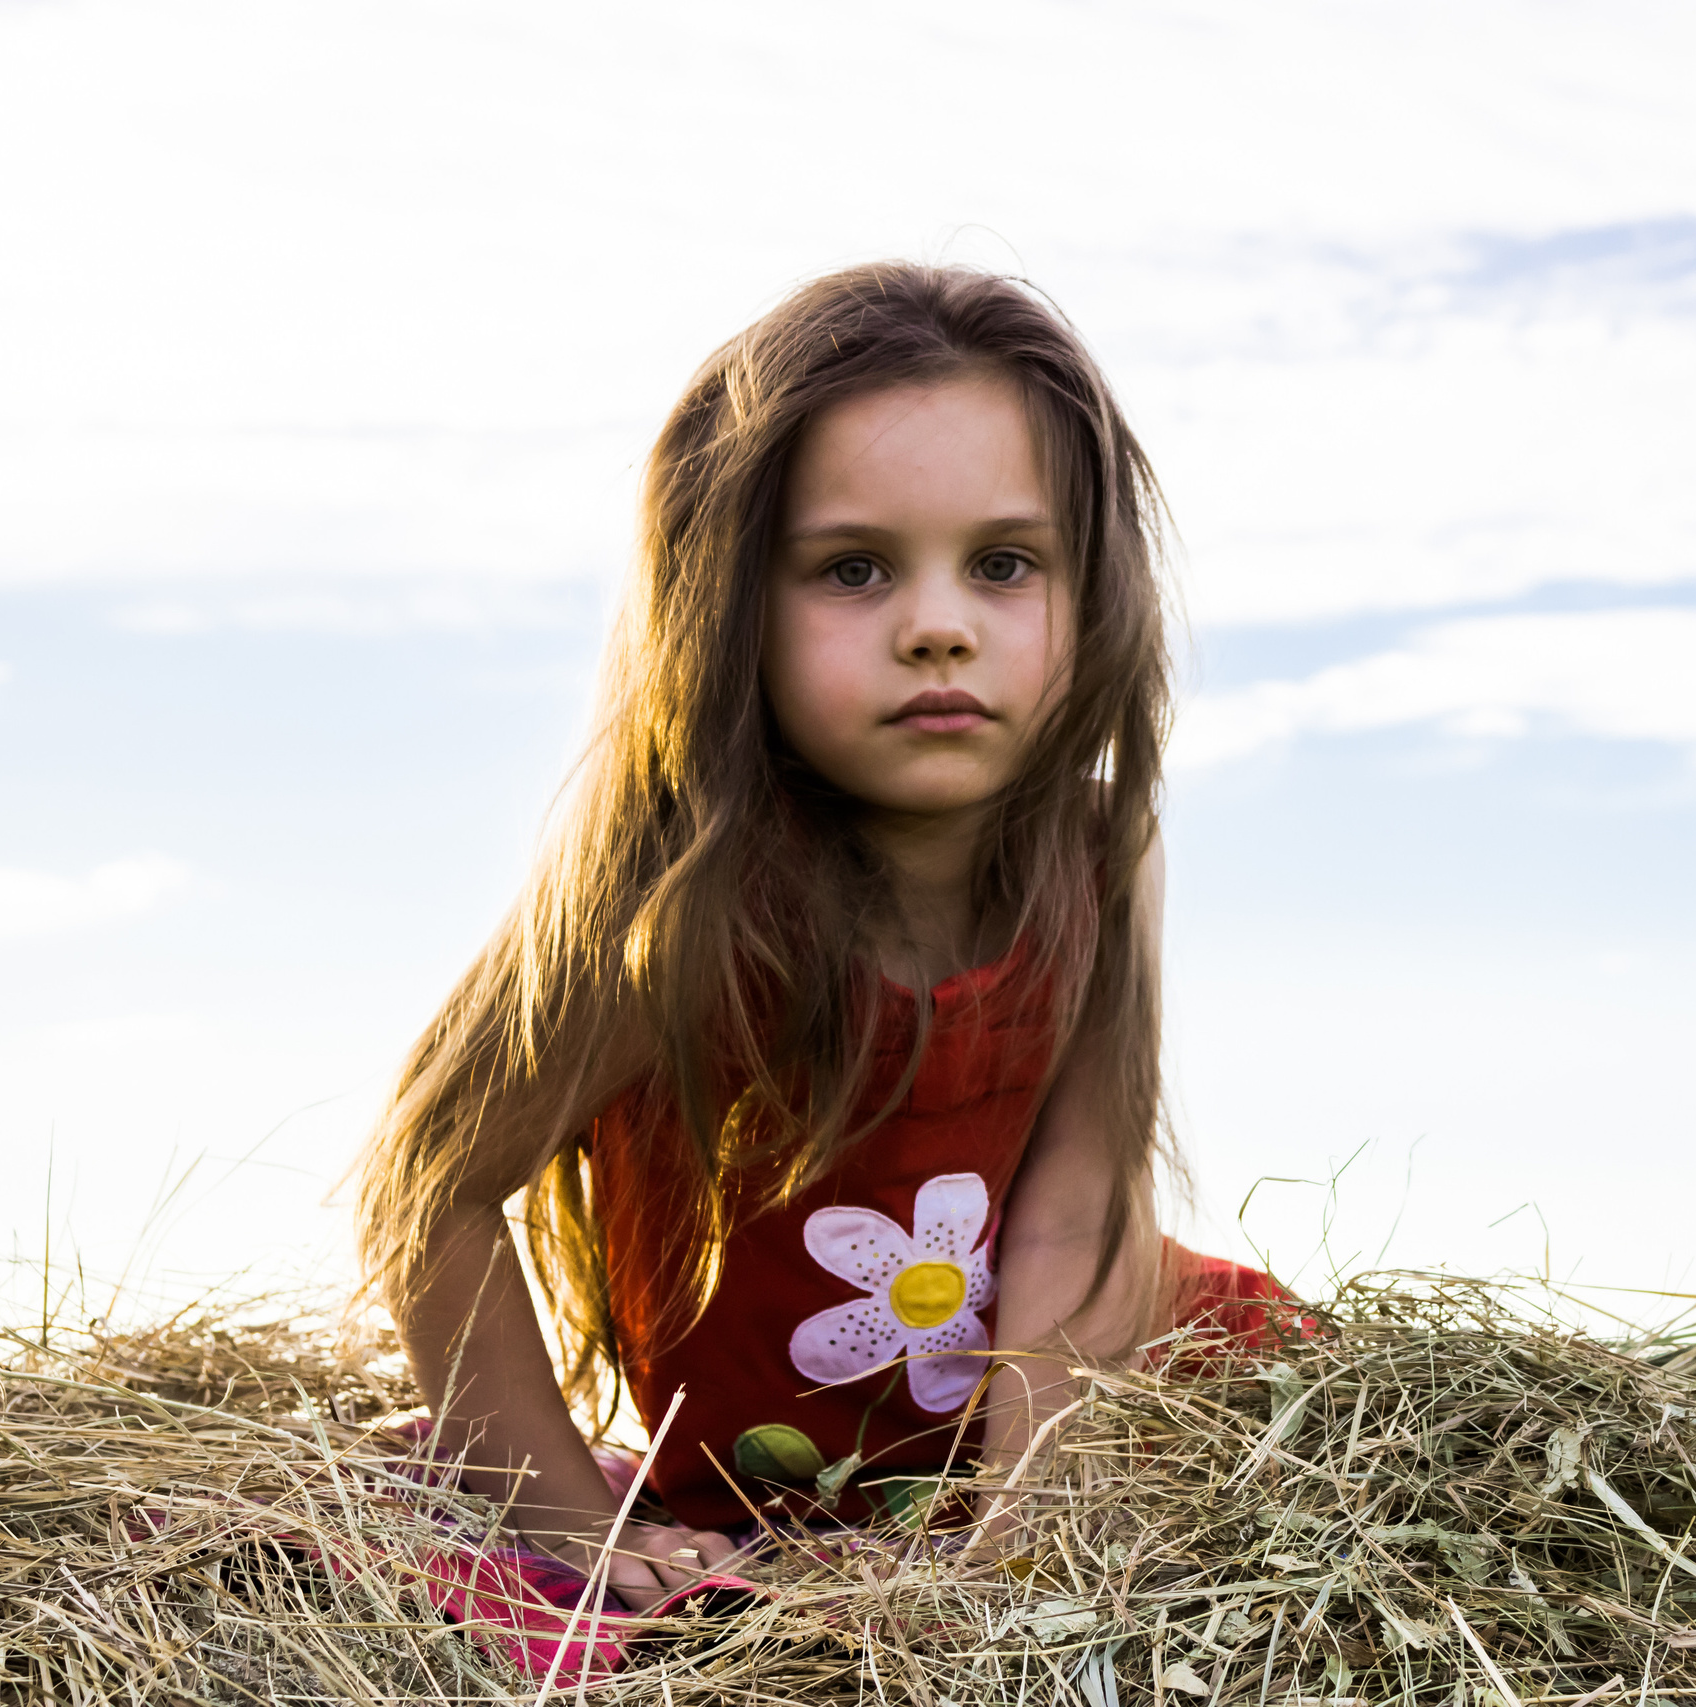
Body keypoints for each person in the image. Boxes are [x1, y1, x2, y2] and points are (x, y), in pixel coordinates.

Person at [353, 262, 1300, 1615]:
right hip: (779, 1489)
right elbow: (427, 1184)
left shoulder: (1100, 857)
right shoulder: (683, 899)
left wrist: (1025, 1552)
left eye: (1005, 564)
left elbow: (1078, 1216)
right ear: (728, 598)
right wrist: (567, 1522)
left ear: (1093, 594)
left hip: (1096, 1391)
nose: (937, 626)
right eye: (853, 569)